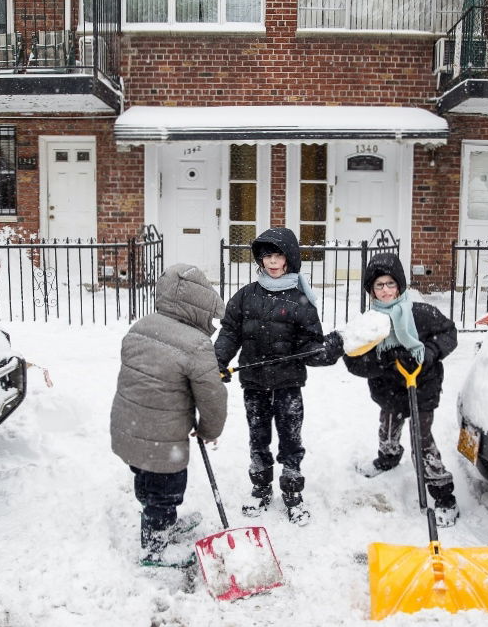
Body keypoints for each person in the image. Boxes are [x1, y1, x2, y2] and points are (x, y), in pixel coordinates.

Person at [215, 227, 342, 526]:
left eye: (278, 255)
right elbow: (230, 333)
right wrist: (217, 361)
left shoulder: (301, 300)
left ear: (289, 259)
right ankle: (260, 487)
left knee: (290, 437)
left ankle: (292, 489)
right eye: (267, 256)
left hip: (288, 382)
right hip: (254, 381)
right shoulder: (246, 296)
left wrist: (326, 351)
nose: (272, 262)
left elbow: (312, 342)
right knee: (258, 437)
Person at [110, 263, 228, 567]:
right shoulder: (197, 345)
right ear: (200, 305)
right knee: (166, 492)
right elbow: (212, 397)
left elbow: (155, 375)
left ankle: (160, 522)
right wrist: (209, 430)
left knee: (147, 483)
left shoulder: (140, 327)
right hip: (165, 440)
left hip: (130, 430)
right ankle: (154, 549)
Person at [343, 252, 460, 526]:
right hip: (389, 389)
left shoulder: (420, 314)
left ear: (400, 286)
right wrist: (383, 360)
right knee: (388, 426)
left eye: (390, 284)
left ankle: (443, 493)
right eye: (379, 286)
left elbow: (449, 334)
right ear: (371, 290)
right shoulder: (369, 324)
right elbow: (353, 360)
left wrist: (429, 353)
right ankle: (388, 457)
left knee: (421, 437)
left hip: (422, 386)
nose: (385, 290)